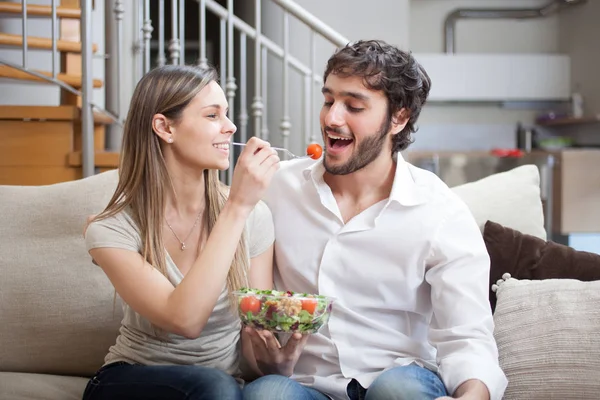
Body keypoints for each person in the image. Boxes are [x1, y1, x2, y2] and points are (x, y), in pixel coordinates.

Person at [242, 40, 508, 400]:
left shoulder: (439, 211)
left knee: (396, 389)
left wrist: (472, 395)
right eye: (328, 100)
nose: (332, 118)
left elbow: (467, 338)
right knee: (267, 394)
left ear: (398, 118)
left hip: (399, 378)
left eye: (353, 106)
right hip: (306, 384)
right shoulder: (278, 186)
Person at [81, 64, 279, 400]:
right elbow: (185, 320)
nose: (231, 127)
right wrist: (236, 207)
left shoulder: (255, 217)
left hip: (222, 388)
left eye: (227, 114)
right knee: (216, 387)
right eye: (212, 115)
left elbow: (253, 339)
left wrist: (275, 360)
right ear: (164, 127)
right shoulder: (111, 228)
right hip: (130, 380)